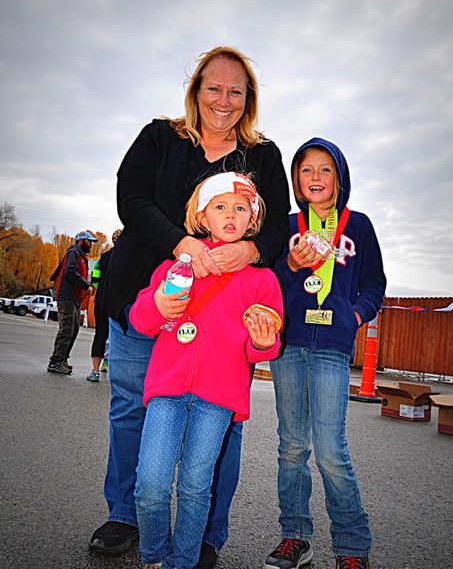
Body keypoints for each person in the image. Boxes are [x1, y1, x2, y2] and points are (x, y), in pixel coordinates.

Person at [89, 45, 290, 568]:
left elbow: (275, 228)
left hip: (223, 318)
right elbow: (130, 198)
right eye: (213, 88)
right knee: (134, 407)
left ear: (249, 100)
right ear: (195, 90)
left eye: (236, 91)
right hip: (148, 291)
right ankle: (127, 514)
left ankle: (203, 535)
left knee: (220, 426)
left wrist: (251, 249)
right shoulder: (159, 135)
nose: (223, 100)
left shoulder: (262, 155)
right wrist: (182, 244)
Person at [130, 171, 284, 569]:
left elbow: (261, 346)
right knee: (150, 484)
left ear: (253, 220)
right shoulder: (174, 268)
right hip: (167, 390)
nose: (230, 215)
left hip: (217, 399)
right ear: (202, 217)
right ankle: (152, 555)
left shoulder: (263, 280)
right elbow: (141, 319)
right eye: (220, 207)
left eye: (240, 208)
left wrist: (264, 342)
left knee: (197, 487)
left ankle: (181, 563)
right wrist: (158, 307)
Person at [264, 138, 386, 569]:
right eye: (306, 170)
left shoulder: (359, 226)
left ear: (339, 177)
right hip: (290, 346)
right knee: (292, 446)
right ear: (297, 180)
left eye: (325, 169)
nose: (315, 177)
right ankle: (295, 537)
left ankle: (352, 547)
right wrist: (293, 266)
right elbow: (268, 284)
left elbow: (375, 285)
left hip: (333, 347)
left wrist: (354, 316)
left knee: (331, 449)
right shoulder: (286, 226)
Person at [47, 230, 97, 375]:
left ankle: (63, 359)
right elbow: (70, 272)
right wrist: (85, 285)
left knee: (74, 330)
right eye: (89, 241)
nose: (91, 245)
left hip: (75, 298)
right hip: (66, 296)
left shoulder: (82, 256)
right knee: (66, 329)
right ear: (81, 241)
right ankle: (55, 361)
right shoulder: (74, 252)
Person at [86, 229, 123, 382]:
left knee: (100, 335)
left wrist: (99, 287)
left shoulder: (104, 257)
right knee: (119, 336)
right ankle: (110, 366)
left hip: (101, 300)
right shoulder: (128, 258)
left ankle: (95, 371)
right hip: (119, 301)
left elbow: (94, 278)